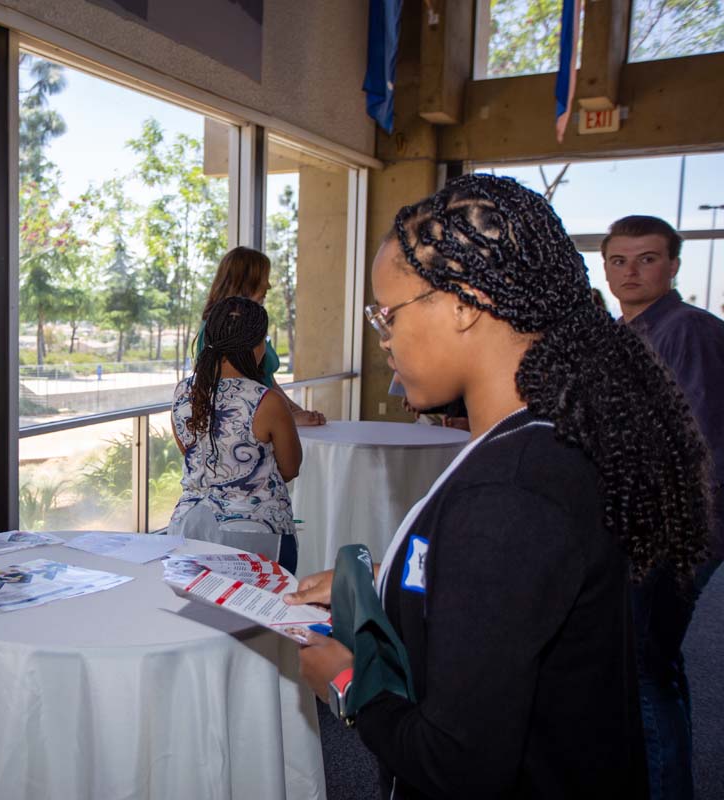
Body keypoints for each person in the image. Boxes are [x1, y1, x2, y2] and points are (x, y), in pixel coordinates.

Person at [286, 175, 712, 798]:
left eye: (389, 314)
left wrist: (352, 683)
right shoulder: (545, 440)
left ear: (463, 303)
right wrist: (377, 580)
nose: (385, 341)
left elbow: (453, 763)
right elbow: (506, 597)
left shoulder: (512, 493)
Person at [602, 214, 724, 798]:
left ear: (673, 265)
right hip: (649, 524)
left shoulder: (686, 331)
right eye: (619, 260)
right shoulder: (627, 333)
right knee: (652, 664)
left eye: (647, 258)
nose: (631, 271)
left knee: (645, 671)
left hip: (673, 529)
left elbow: (698, 444)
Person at [169, 296, 302, 572]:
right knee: (261, 611)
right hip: (257, 535)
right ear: (256, 346)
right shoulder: (266, 400)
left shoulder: (183, 392)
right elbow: (290, 468)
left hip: (189, 529)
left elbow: (192, 454)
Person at [196, 246, 327, 426]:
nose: (269, 286)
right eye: (264, 278)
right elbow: (228, 395)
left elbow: (268, 381)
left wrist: (297, 411)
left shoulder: (252, 325)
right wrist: (288, 419)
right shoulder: (216, 331)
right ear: (246, 282)